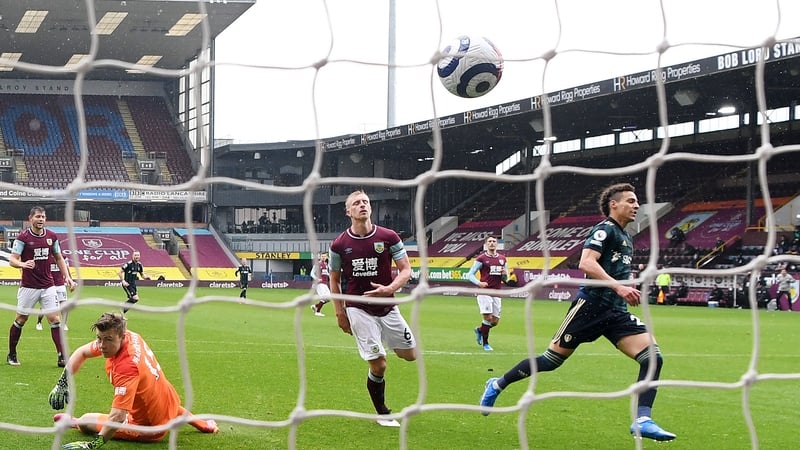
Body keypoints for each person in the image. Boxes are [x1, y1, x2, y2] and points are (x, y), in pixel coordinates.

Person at [478, 183, 676, 441]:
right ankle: (496, 384)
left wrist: (623, 287)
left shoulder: (626, 237)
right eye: (631, 200)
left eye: (637, 201)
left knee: (652, 357)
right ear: (613, 204)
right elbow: (586, 262)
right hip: (589, 308)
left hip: (615, 312)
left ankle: (642, 419)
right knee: (550, 361)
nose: (636, 205)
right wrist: (618, 286)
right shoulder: (605, 230)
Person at [48, 312, 218, 448]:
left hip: (150, 428)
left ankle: (76, 422)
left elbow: (118, 416)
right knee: (162, 400)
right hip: (169, 403)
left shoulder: (127, 366)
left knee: (86, 421)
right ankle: (205, 425)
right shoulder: (130, 336)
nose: (101, 345)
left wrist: (92, 445)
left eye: (108, 340)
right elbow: (82, 352)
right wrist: (63, 382)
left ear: (121, 337)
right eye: (99, 338)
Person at [329, 190, 416, 428]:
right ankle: (383, 412)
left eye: (365, 202)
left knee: (410, 355)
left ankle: (381, 341)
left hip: (387, 305)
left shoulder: (389, 237)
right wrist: (340, 312)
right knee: (379, 364)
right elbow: (334, 280)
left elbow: (406, 269)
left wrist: (389, 289)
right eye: (356, 203)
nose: (362, 205)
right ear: (348, 212)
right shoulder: (339, 245)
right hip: (358, 307)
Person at [7, 206, 75, 367]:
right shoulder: (23, 237)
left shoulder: (52, 236)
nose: (41, 219)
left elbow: (59, 258)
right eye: (38, 216)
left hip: (48, 285)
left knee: (54, 319)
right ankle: (12, 354)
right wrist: (23, 264)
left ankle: (61, 356)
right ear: (30, 218)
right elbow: (12, 260)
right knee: (21, 319)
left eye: (43, 217)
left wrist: (68, 278)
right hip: (29, 286)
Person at [467, 235, 508, 351]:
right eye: (489, 241)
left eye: (494, 241)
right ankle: (486, 344)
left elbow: (506, 277)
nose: (492, 243)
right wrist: (478, 283)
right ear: (486, 244)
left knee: (494, 321)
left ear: (497, 244)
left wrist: (505, 274)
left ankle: (480, 330)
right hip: (484, 292)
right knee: (488, 318)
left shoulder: (502, 259)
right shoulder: (481, 258)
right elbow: (469, 274)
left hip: (497, 292)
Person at [37, 256, 70, 332]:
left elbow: (67, 269)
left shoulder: (63, 257)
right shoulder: (46, 257)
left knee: (64, 305)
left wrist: (70, 280)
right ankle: (39, 322)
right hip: (49, 285)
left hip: (60, 285)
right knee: (44, 307)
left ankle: (64, 324)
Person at [309, 252, 331, 316]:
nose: (323, 257)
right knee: (324, 297)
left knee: (329, 298)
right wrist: (316, 279)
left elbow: (325, 273)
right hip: (319, 283)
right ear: (320, 257)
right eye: (322, 256)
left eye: (324, 256)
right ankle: (317, 312)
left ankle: (315, 306)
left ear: (327, 257)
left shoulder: (326, 264)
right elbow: (312, 273)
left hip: (324, 283)